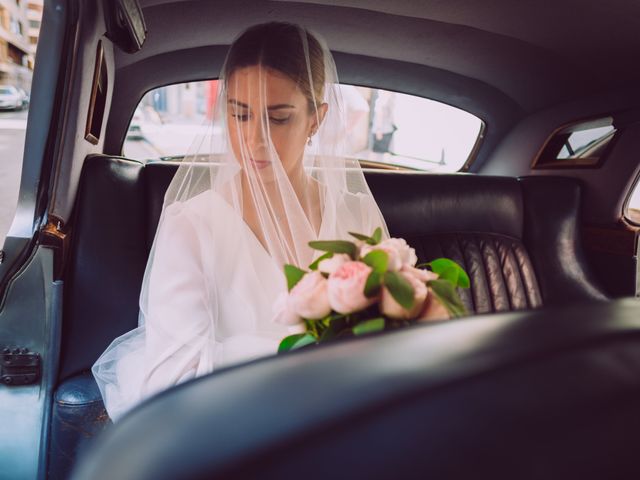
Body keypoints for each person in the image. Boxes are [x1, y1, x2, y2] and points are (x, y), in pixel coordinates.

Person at [92, 22, 389, 421]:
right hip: (229, 422)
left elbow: (387, 338)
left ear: (316, 120)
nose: (253, 140)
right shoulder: (192, 223)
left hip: (341, 416)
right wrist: (310, 363)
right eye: (240, 115)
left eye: (278, 118)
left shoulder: (358, 214)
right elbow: (172, 377)